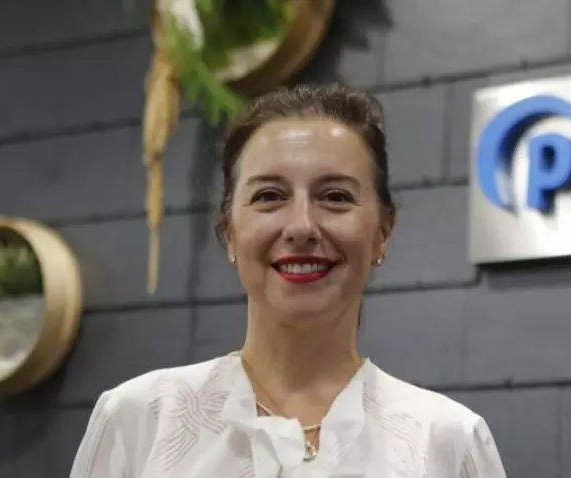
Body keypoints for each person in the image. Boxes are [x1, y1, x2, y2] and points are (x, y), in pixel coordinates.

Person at [69, 83, 507, 478]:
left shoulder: (446, 442)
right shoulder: (139, 420)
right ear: (230, 231)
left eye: (335, 197)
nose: (301, 226)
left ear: (382, 233)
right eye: (269, 196)